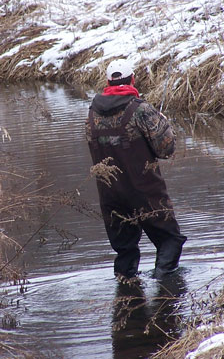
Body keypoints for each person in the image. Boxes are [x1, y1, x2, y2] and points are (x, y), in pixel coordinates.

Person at [85, 59, 187, 281]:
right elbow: (166, 150)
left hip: (110, 195)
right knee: (170, 240)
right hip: (145, 192)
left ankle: (127, 299)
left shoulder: (92, 112)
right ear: (132, 79)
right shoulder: (140, 109)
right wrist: (163, 124)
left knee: (125, 252)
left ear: (108, 82)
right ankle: (165, 291)